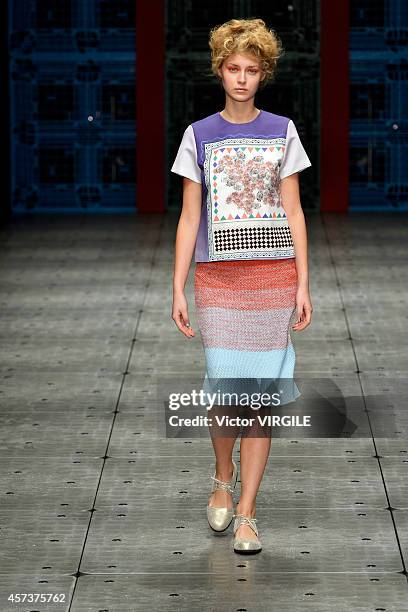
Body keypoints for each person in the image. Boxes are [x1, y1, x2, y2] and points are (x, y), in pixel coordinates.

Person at [170, 18, 313, 554]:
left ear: (264, 74)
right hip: (219, 280)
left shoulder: (283, 130)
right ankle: (221, 475)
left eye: (252, 70)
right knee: (225, 389)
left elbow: (295, 209)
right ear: (220, 70)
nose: (241, 78)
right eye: (233, 68)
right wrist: (177, 287)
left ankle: (249, 511)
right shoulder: (199, 135)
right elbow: (188, 218)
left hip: (273, 277)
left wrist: (303, 281)